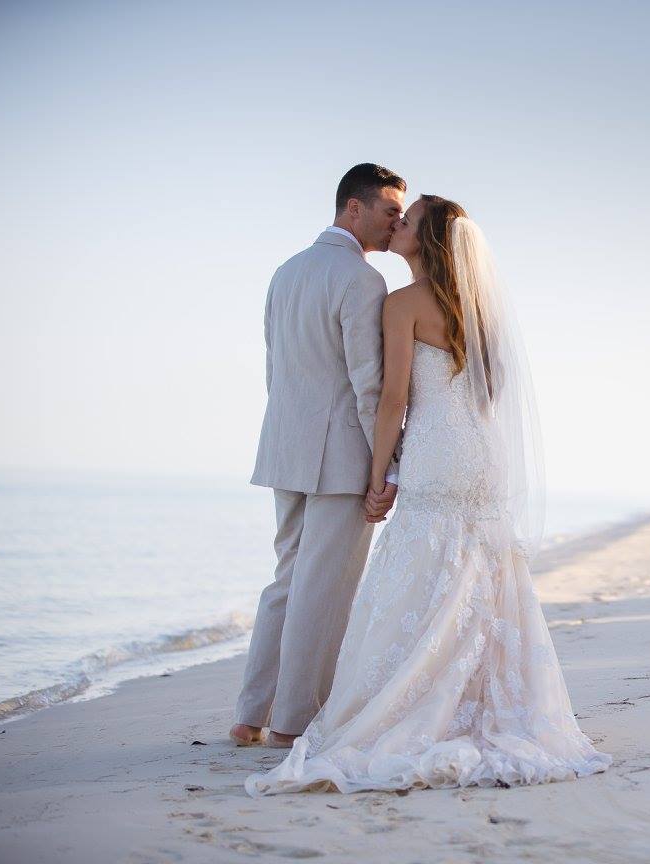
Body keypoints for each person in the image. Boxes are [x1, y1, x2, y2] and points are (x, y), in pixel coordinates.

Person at [246, 195, 610, 794]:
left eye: (408, 221)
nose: (398, 226)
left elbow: (392, 399)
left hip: (437, 454)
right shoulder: (481, 308)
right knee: (482, 577)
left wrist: (376, 475)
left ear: (430, 240)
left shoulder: (401, 303)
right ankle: (496, 703)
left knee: (422, 574)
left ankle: (408, 703)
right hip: (481, 454)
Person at [231, 164, 406, 748]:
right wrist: (385, 467)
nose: (395, 223)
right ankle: (292, 725)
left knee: (286, 580)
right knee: (322, 589)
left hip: (285, 447)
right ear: (352, 209)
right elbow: (369, 385)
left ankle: (250, 714)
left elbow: (273, 370)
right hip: (339, 457)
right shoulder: (361, 281)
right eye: (388, 211)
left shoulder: (285, 272)